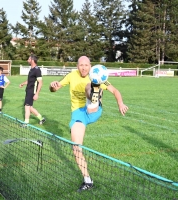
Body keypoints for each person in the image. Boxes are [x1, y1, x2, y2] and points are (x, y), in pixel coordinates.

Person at [49, 56, 128, 192]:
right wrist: (53, 86)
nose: (84, 68)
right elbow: (54, 89)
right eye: (81, 65)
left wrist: (120, 103)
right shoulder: (71, 76)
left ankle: (95, 97)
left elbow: (115, 91)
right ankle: (87, 180)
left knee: (89, 85)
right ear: (77, 66)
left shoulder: (96, 75)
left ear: (90, 66)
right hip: (78, 115)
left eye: (86, 65)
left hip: (93, 110)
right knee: (76, 148)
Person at [19, 55, 45, 125]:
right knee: (30, 107)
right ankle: (41, 118)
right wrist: (23, 83)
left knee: (27, 107)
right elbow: (30, 80)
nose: (27, 60)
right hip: (28, 90)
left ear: (32, 60)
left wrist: (37, 94)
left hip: (32, 91)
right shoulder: (31, 69)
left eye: (29, 59)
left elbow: (40, 82)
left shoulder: (37, 70)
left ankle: (26, 123)